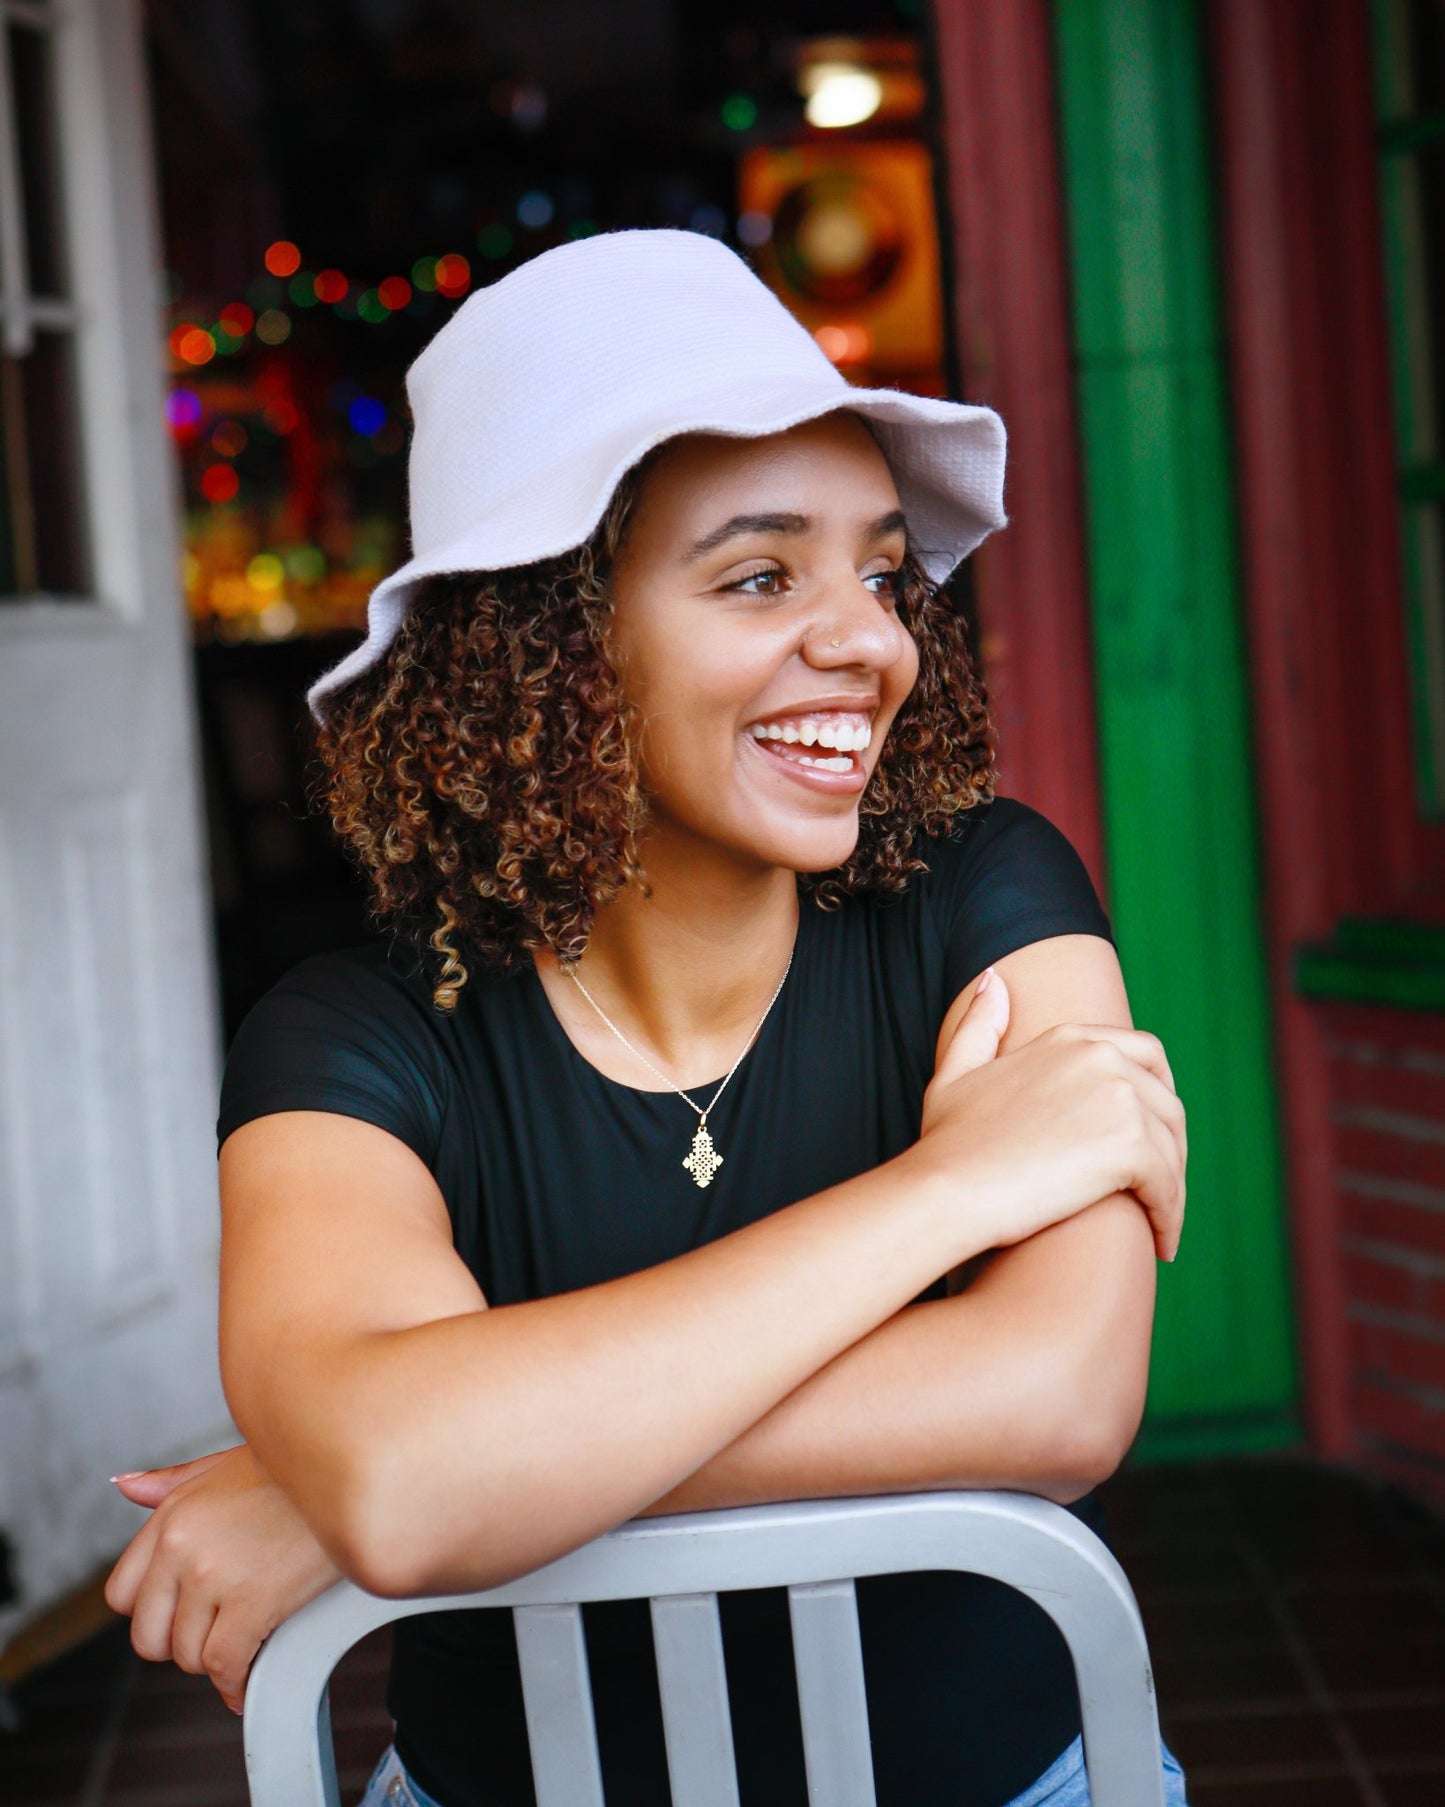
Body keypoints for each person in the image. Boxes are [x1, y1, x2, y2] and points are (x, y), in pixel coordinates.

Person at [105, 228, 1190, 1807]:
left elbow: (1058, 1396)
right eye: (759, 576)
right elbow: (407, 1487)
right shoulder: (348, 1043)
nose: (869, 641)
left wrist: (410, 1479)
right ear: (544, 642)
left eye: (880, 571)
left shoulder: (984, 890)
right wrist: (945, 1191)